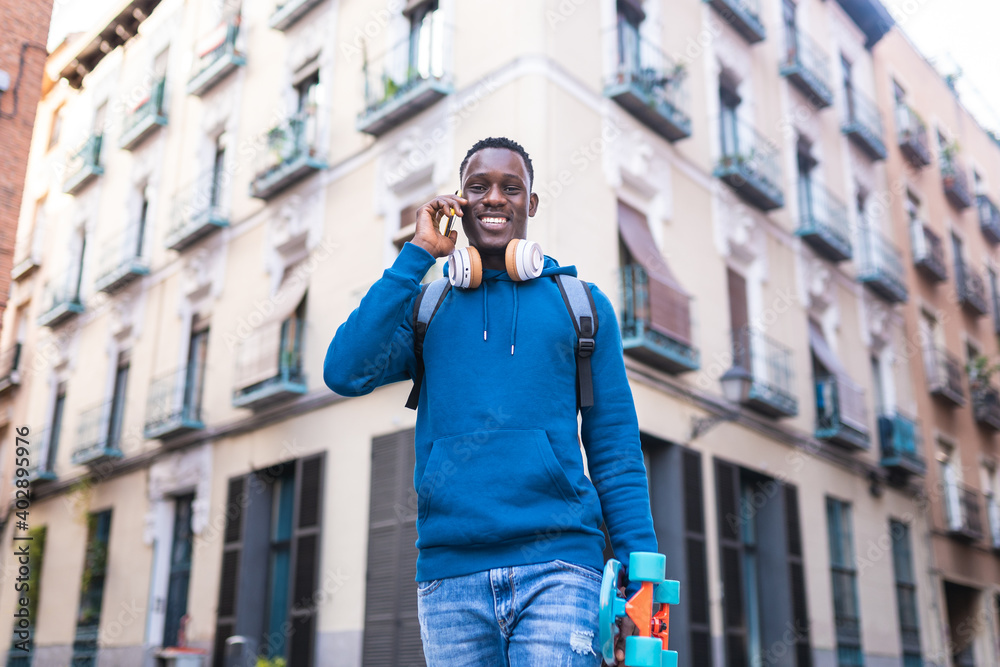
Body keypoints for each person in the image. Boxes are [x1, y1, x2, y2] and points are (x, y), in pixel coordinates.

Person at [324, 137, 657, 665]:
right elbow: (343, 372)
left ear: (532, 203)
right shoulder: (426, 309)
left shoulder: (583, 307)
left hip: (561, 567)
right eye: (478, 187)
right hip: (448, 576)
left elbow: (615, 452)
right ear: (458, 203)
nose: (494, 198)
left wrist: (644, 582)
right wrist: (416, 257)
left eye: (511, 187)